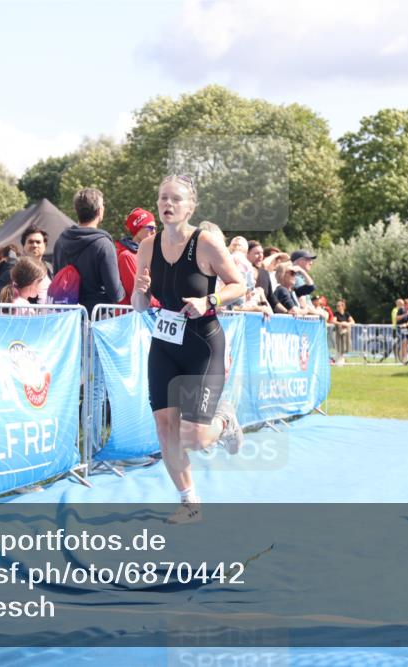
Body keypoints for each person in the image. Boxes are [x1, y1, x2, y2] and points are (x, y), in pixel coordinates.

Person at [131, 174, 246, 524]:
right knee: (165, 427)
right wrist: (140, 289)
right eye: (163, 198)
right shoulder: (148, 246)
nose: (167, 204)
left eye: (175, 199)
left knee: (194, 436)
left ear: (190, 206)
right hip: (165, 343)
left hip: (202, 342)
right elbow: (139, 305)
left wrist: (208, 299)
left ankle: (224, 421)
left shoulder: (206, 242)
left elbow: (239, 285)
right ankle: (189, 501)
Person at [52, 188, 124, 314]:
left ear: (77, 210)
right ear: (99, 211)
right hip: (97, 319)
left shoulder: (60, 242)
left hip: (68, 318)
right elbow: (115, 293)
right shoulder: (103, 244)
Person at [116, 208, 157, 306]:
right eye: (150, 228)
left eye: (155, 228)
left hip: (147, 314)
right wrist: (166, 304)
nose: (154, 232)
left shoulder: (149, 253)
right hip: (132, 316)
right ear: (138, 229)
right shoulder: (126, 256)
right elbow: (137, 295)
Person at [333, 299, 354, 364]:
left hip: (346, 333)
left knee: (347, 348)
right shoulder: (336, 314)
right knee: (339, 348)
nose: (337, 307)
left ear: (343, 306)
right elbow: (333, 321)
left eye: (339, 306)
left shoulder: (347, 314)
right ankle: (339, 360)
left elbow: (353, 321)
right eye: (337, 306)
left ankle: (340, 359)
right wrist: (341, 323)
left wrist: (347, 324)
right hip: (338, 333)